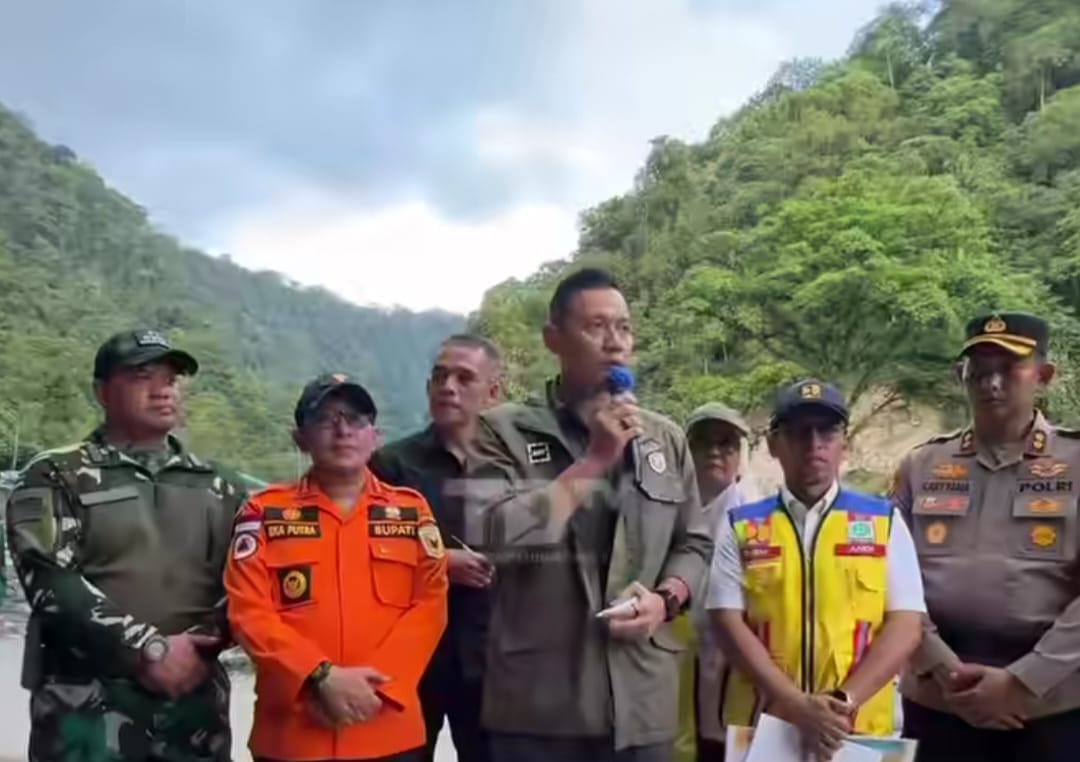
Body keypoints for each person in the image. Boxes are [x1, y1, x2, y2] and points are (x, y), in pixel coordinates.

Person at [465, 267, 713, 762]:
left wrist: (666, 601)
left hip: (643, 703)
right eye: (595, 327)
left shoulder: (664, 438)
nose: (614, 342)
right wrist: (595, 460)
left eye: (622, 327)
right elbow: (496, 538)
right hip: (540, 711)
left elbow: (696, 544)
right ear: (553, 338)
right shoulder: (501, 431)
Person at [4, 329, 240, 761]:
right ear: (102, 392)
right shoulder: (57, 473)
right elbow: (51, 579)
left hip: (195, 714)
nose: (163, 388)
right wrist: (148, 649)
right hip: (86, 713)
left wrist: (202, 644)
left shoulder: (222, 486)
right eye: (142, 375)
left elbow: (250, 584)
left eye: (171, 377)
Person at [224, 373, 449, 762]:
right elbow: (248, 611)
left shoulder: (411, 512)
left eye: (356, 418)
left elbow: (430, 605)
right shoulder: (265, 512)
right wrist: (318, 675)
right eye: (325, 419)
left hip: (388, 728)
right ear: (300, 439)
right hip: (293, 734)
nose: (343, 429)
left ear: (374, 435)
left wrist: (375, 688)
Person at [892, 312, 1080, 762]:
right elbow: (887, 576)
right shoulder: (920, 466)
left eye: (1008, 368)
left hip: (1046, 706)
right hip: (937, 698)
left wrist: (1021, 681)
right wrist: (942, 666)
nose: (991, 383)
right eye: (979, 370)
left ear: (1043, 374)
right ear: (962, 375)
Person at [709, 379, 924, 761]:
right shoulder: (741, 525)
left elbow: (906, 624)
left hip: (859, 735)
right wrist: (796, 705)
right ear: (774, 445)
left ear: (846, 442)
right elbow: (726, 623)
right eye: (798, 432)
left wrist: (841, 704)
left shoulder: (884, 521)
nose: (814, 444)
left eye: (826, 430)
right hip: (765, 733)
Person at [370, 334, 503, 762]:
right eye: (440, 376)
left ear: (492, 393)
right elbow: (359, 550)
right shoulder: (391, 464)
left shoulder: (515, 466)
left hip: (492, 661)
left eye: (465, 378)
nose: (448, 387)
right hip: (410, 662)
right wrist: (439, 561)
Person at [675, 403, 755, 762]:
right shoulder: (663, 515)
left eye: (727, 443)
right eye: (702, 442)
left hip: (735, 688)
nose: (714, 451)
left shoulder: (757, 522)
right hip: (672, 683)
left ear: (741, 457)